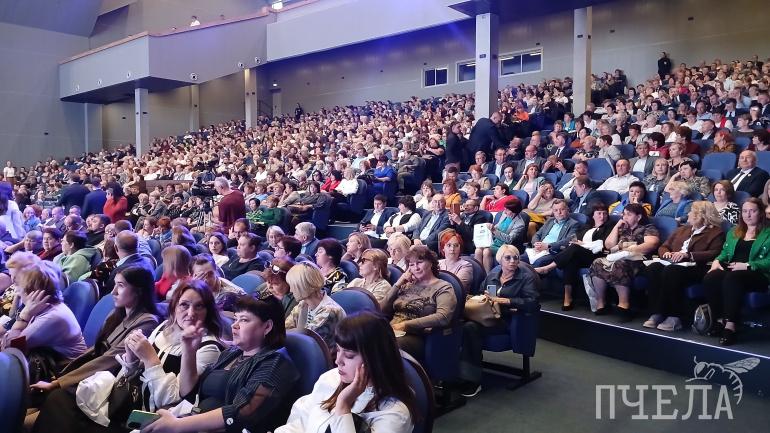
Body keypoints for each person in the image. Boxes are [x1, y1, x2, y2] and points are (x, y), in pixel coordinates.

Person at [33, 280, 223, 433]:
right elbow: (131, 373)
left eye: (199, 306)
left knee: (63, 413)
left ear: (208, 311)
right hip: (127, 401)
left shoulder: (207, 347)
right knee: (59, 399)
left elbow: (172, 399)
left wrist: (150, 359)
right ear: (173, 307)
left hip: (148, 417)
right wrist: (131, 359)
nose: (191, 313)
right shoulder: (164, 328)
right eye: (184, 305)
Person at [139, 296, 299, 433]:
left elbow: (241, 413)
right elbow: (189, 394)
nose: (234, 325)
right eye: (235, 319)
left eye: (244, 320)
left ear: (267, 326)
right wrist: (189, 350)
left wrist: (178, 425)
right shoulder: (231, 353)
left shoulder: (275, 363)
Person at [30, 266, 160, 417]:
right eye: (115, 284)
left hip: (104, 390)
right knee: (33, 400)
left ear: (139, 291)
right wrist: (62, 377)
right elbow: (94, 351)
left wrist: (58, 383)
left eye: (121, 285)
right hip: (91, 377)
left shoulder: (147, 323)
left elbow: (109, 360)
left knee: (46, 405)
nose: (113, 292)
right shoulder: (115, 314)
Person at [275, 311, 416, 433]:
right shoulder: (331, 378)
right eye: (338, 350)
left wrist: (343, 406)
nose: (338, 361)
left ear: (375, 359)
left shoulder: (394, 413)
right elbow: (300, 420)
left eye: (349, 355)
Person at [459, 245, 538, 396]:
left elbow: (532, 303)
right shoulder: (492, 276)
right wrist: (484, 298)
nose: (512, 261)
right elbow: (481, 293)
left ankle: (472, 380)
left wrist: (506, 301)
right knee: (461, 325)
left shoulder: (525, 278)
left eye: (515, 258)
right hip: (487, 316)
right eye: (508, 258)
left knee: (470, 328)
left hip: (508, 321)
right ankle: (458, 373)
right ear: (500, 260)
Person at [642, 201, 726, 332]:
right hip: (673, 263)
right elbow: (664, 246)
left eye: (691, 211)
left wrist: (688, 255)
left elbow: (715, 252)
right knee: (654, 268)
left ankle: (675, 316)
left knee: (672, 271)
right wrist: (666, 254)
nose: (688, 214)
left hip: (697, 267)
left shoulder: (715, 233)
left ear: (701, 215)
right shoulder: (682, 229)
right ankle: (657, 312)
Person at [704, 198, 770, 346]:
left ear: (760, 213)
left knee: (733, 277)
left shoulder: (768, 233)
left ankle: (731, 326)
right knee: (711, 277)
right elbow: (725, 252)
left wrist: (747, 265)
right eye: (745, 211)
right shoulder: (734, 231)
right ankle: (720, 320)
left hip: (758, 274)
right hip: (733, 270)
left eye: (752, 211)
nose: (748, 215)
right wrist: (717, 261)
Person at [1, 260, 86, 364]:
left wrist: (24, 316)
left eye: (19, 286)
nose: (17, 291)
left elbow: (10, 348)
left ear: (33, 293)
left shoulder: (51, 317)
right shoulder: (44, 306)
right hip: (48, 360)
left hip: (63, 369)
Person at [587, 203, 660, 321]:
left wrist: (628, 249)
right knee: (597, 263)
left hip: (639, 259)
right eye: (623, 214)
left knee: (619, 265)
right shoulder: (622, 228)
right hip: (619, 256)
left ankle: (624, 305)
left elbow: (651, 244)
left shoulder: (647, 228)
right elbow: (609, 245)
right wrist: (616, 227)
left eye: (628, 215)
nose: (624, 217)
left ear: (638, 217)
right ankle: (601, 302)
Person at [382, 245, 456, 361]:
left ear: (430, 263)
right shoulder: (406, 285)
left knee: (386, 346)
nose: (416, 268)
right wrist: (398, 284)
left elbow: (443, 317)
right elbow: (382, 309)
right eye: (411, 265)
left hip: (417, 335)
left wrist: (406, 325)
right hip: (393, 330)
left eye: (419, 262)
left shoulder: (443, 287)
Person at [534, 204, 613, 310]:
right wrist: (578, 243)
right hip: (581, 254)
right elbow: (575, 239)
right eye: (599, 213)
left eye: (605, 213)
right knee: (571, 261)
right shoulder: (587, 227)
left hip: (597, 255)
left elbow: (602, 244)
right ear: (593, 215)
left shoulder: (609, 227)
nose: (602, 216)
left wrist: (583, 244)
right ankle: (568, 297)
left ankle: (548, 268)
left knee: (575, 248)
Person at [285, 262, 346, 351]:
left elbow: (304, 343)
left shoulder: (330, 311)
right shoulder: (303, 304)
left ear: (303, 285)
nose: (290, 290)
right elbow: (285, 330)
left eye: (292, 286)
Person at [475, 199, 526, 272]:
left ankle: (488, 274)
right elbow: (498, 226)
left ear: (514, 211)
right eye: (505, 209)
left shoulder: (520, 224)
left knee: (487, 251)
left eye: (507, 210)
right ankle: (479, 273)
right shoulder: (504, 215)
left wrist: (494, 230)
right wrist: (491, 226)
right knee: (478, 250)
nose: (504, 211)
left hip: (505, 246)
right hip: (494, 241)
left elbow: (509, 239)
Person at [437, 230, 473, 294]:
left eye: (456, 245)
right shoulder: (437, 263)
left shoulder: (466, 265)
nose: (452, 249)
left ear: (460, 248)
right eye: (449, 245)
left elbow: (456, 288)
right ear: (443, 248)